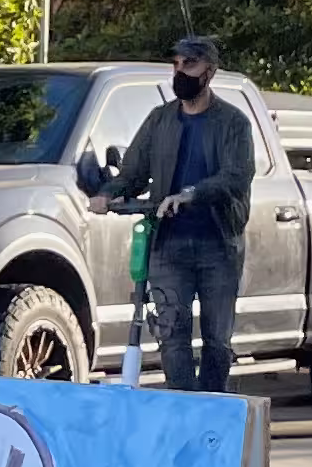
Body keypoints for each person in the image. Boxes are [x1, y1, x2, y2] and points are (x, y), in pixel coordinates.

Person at [109, 32, 257, 393]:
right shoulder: (160, 120)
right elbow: (132, 173)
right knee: (170, 337)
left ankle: (212, 409)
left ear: (210, 71)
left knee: (217, 341)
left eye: (189, 64)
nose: (180, 72)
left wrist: (191, 194)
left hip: (217, 246)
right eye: (176, 64)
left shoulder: (233, 123)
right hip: (168, 246)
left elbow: (237, 176)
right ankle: (183, 408)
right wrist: (104, 194)